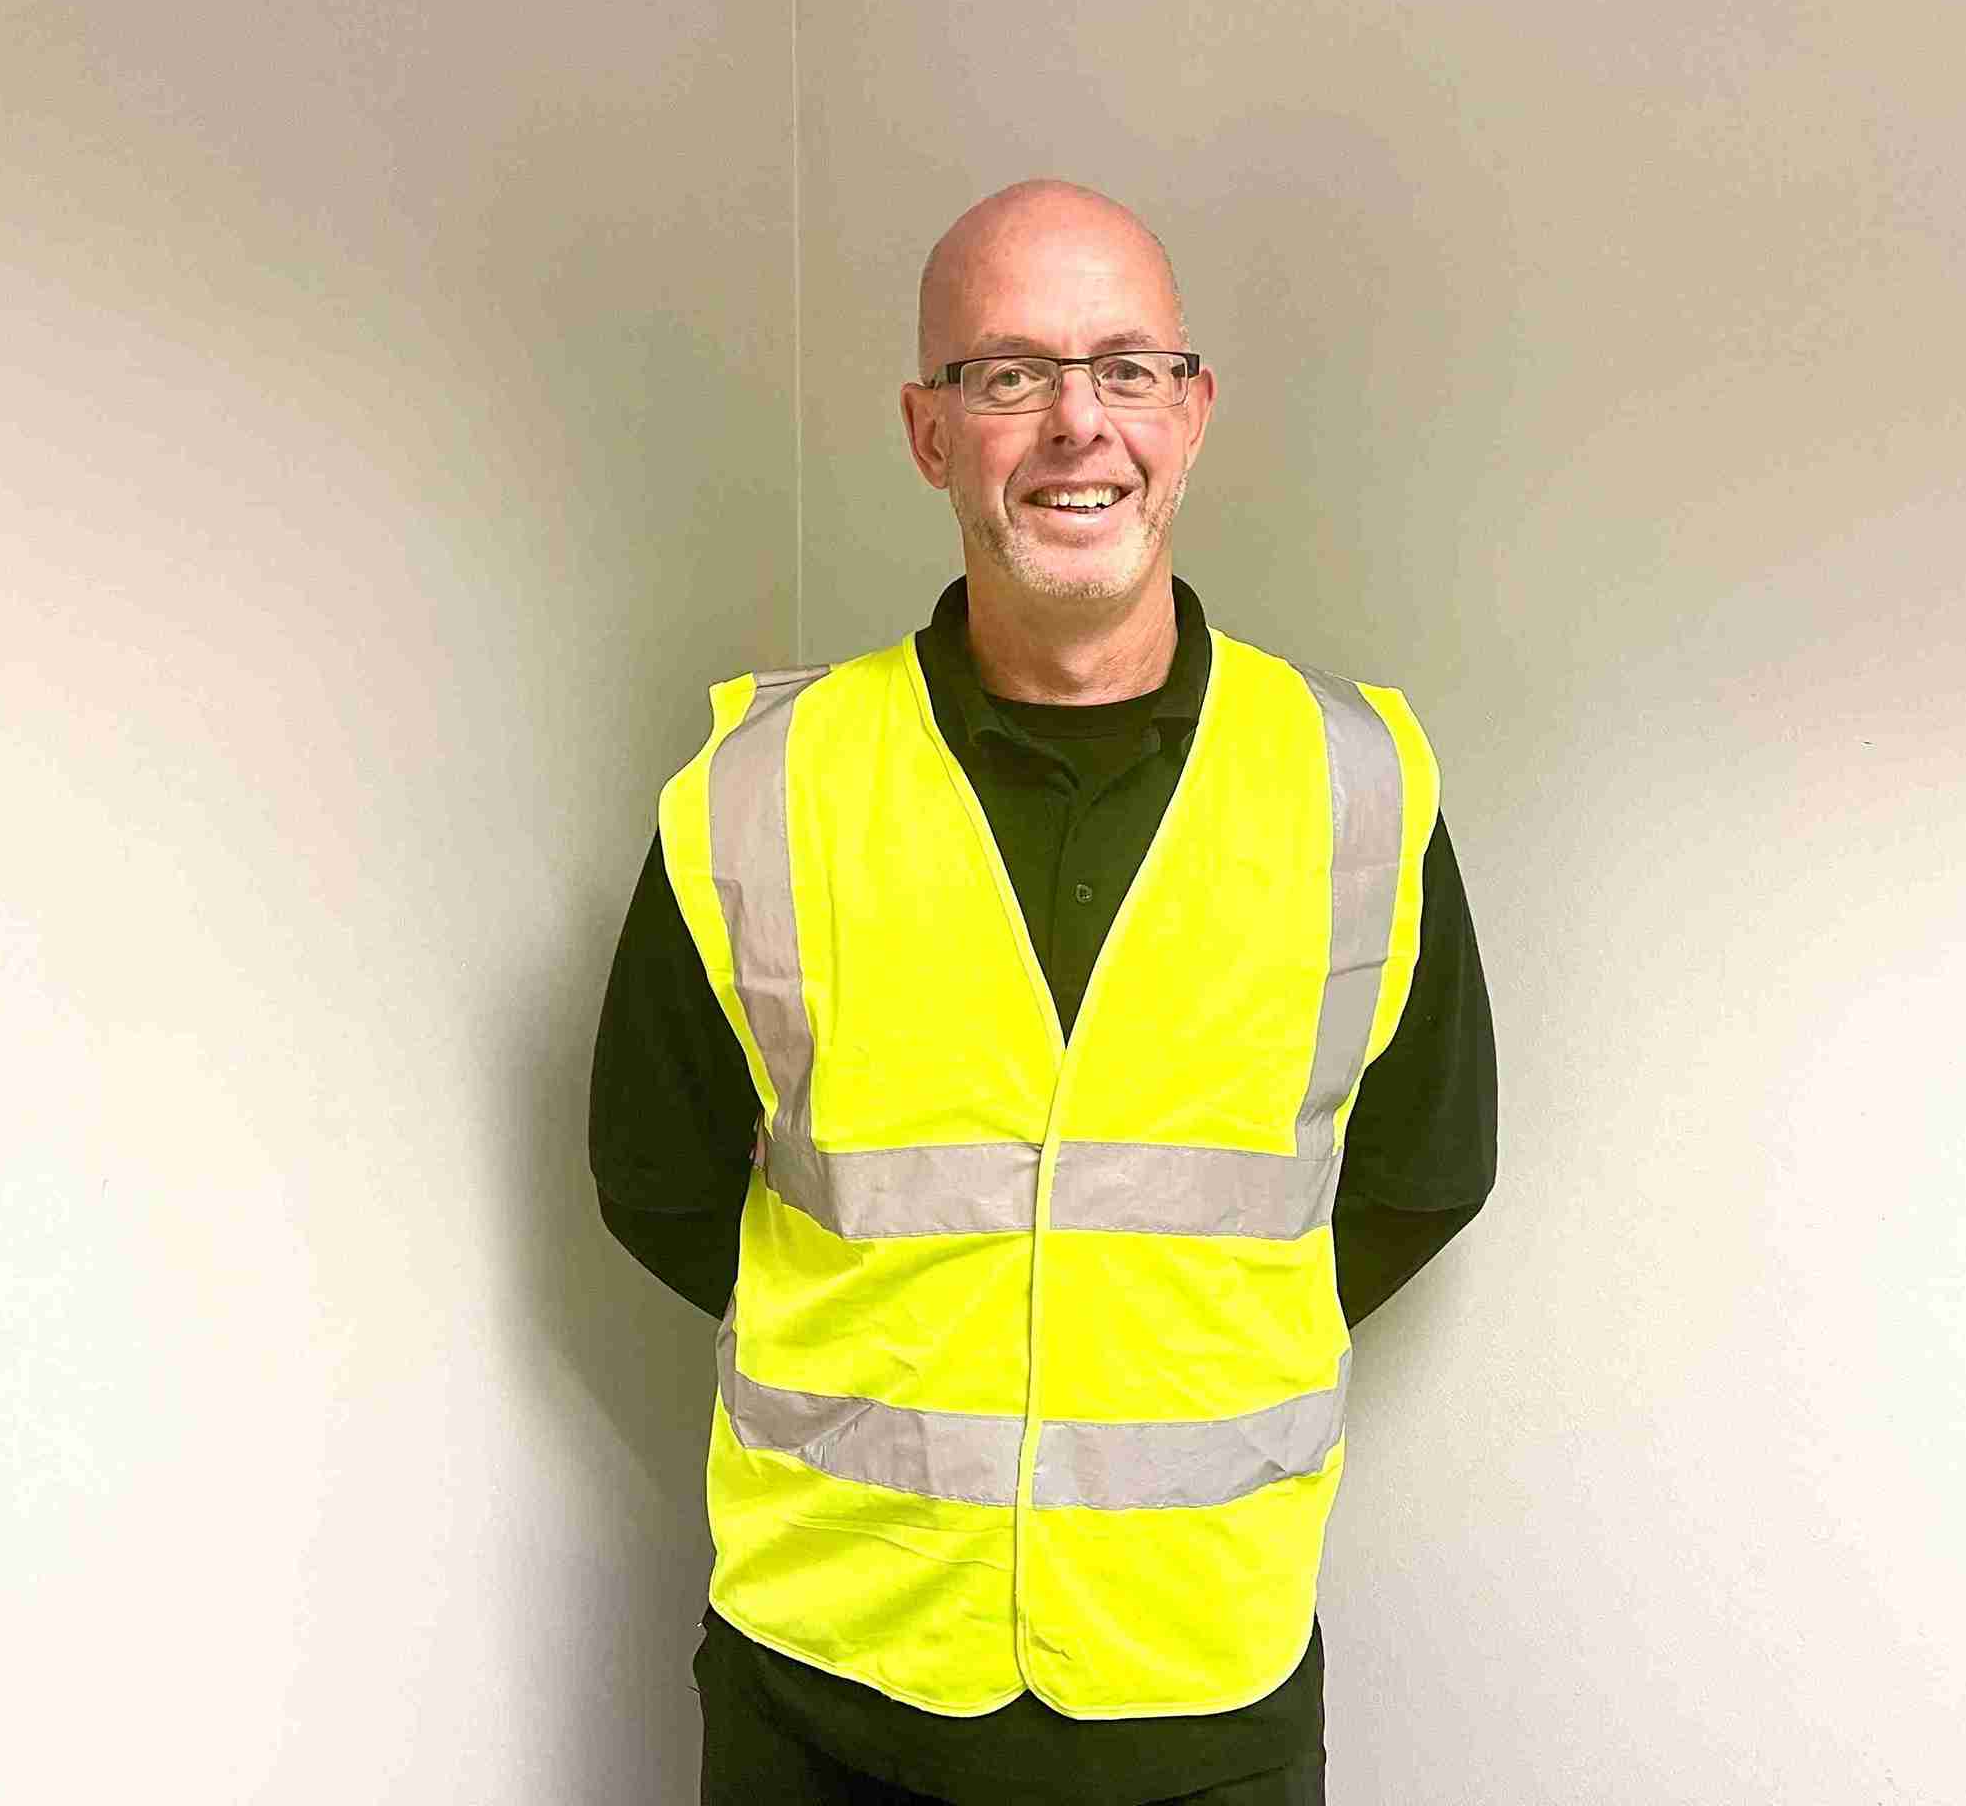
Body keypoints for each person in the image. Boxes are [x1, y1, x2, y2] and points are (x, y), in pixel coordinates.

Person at [589, 179, 1499, 1805]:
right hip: (824, 1678)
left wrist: (1143, 1343)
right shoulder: (756, 787)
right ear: (929, 432)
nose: (1079, 422)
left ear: (1191, 413)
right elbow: (654, 1178)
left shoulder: (1358, 787)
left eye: (1127, 368)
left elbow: (1425, 1173)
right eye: (1008, 373)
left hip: (1198, 1686)